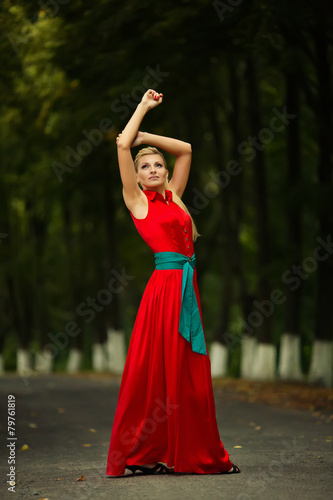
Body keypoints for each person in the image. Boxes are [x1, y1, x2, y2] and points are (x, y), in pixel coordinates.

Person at [106, 89, 240, 477]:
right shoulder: (138, 202)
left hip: (186, 289)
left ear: (165, 173)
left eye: (156, 166)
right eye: (144, 166)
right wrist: (142, 110)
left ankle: (188, 453)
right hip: (163, 292)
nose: (151, 169)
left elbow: (185, 149)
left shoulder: (175, 199)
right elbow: (121, 144)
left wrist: (149, 139)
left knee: (187, 374)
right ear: (135, 176)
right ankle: (140, 451)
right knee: (155, 372)